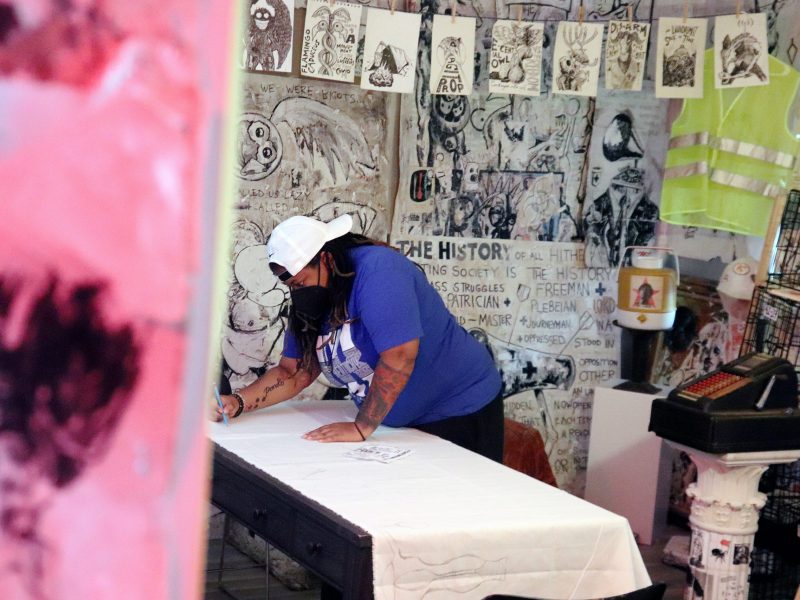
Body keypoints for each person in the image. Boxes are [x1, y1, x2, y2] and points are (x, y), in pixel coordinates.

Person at [212, 214, 504, 462]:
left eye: (300, 283)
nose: (297, 292)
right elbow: (294, 372)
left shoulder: (378, 270)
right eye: (291, 286)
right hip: (396, 428)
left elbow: (400, 353)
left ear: (325, 259)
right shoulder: (314, 297)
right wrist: (238, 402)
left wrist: (361, 427)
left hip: (458, 411)